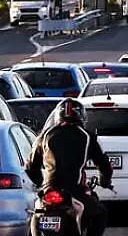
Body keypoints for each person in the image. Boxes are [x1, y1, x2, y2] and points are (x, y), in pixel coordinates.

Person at [26, 99, 113, 236]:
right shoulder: (87, 136)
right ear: (82, 117)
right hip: (75, 190)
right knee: (100, 214)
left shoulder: (44, 136)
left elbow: (30, 166)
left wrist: (39, 183)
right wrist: (105, 181)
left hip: (48, 190)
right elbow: (104, 165)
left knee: (36, 211)